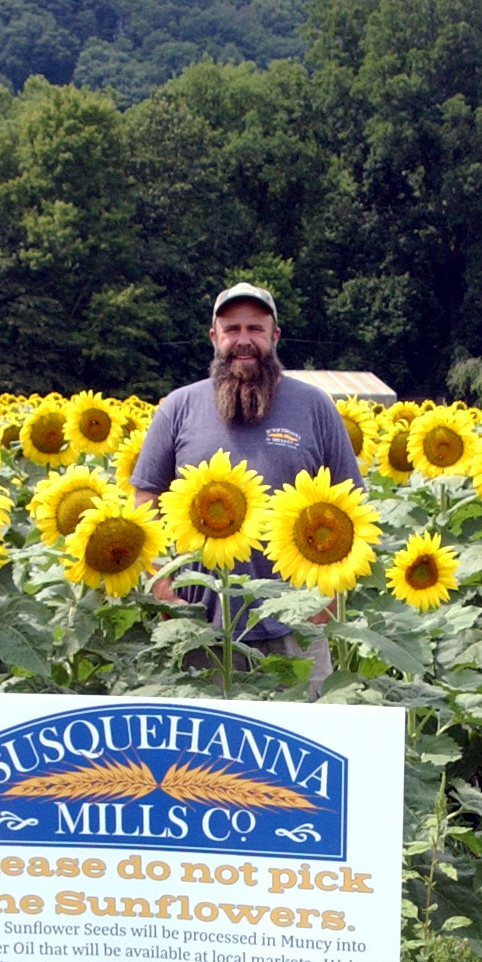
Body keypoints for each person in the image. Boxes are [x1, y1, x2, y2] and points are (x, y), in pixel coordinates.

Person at [129, 282, 363, 690]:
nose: (243, 340)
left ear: (274, 337)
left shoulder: (315, 407)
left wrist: (321, 605)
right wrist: (164, 593)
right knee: (202, 754)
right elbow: (144, 505)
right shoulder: (178, 408)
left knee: (302, 742)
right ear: (214, 337)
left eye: (255, 329)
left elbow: (353, 508)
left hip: (296, 629)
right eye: (232, 328)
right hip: (200, 627)